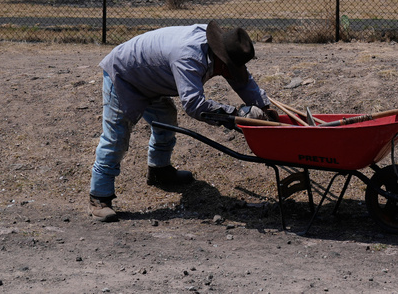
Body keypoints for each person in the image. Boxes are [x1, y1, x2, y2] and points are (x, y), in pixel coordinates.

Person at [88, 21, 277, 222]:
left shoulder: (219, 47)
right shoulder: (189, 56)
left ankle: (159, 171)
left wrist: (264, 107)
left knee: (166, 117)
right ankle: (99, 196)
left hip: (152, 78)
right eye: (230, 68)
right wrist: (234, 117)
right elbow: (193, 104)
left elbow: (243, 81)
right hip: (124, 74)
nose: (231, 73)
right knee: (116, 137)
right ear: (222, 59)